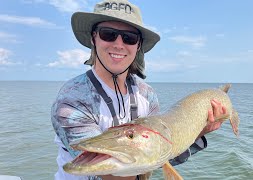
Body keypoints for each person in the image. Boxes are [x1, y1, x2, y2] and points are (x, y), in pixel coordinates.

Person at [51, 0, 226, 180]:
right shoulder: (71, 99)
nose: (119, 44)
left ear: (138, 45)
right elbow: (110, 175)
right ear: (93, 38)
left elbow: (160, 154)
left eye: (129, 37)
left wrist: (200, 130)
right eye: (108, 34)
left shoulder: (146, 94)